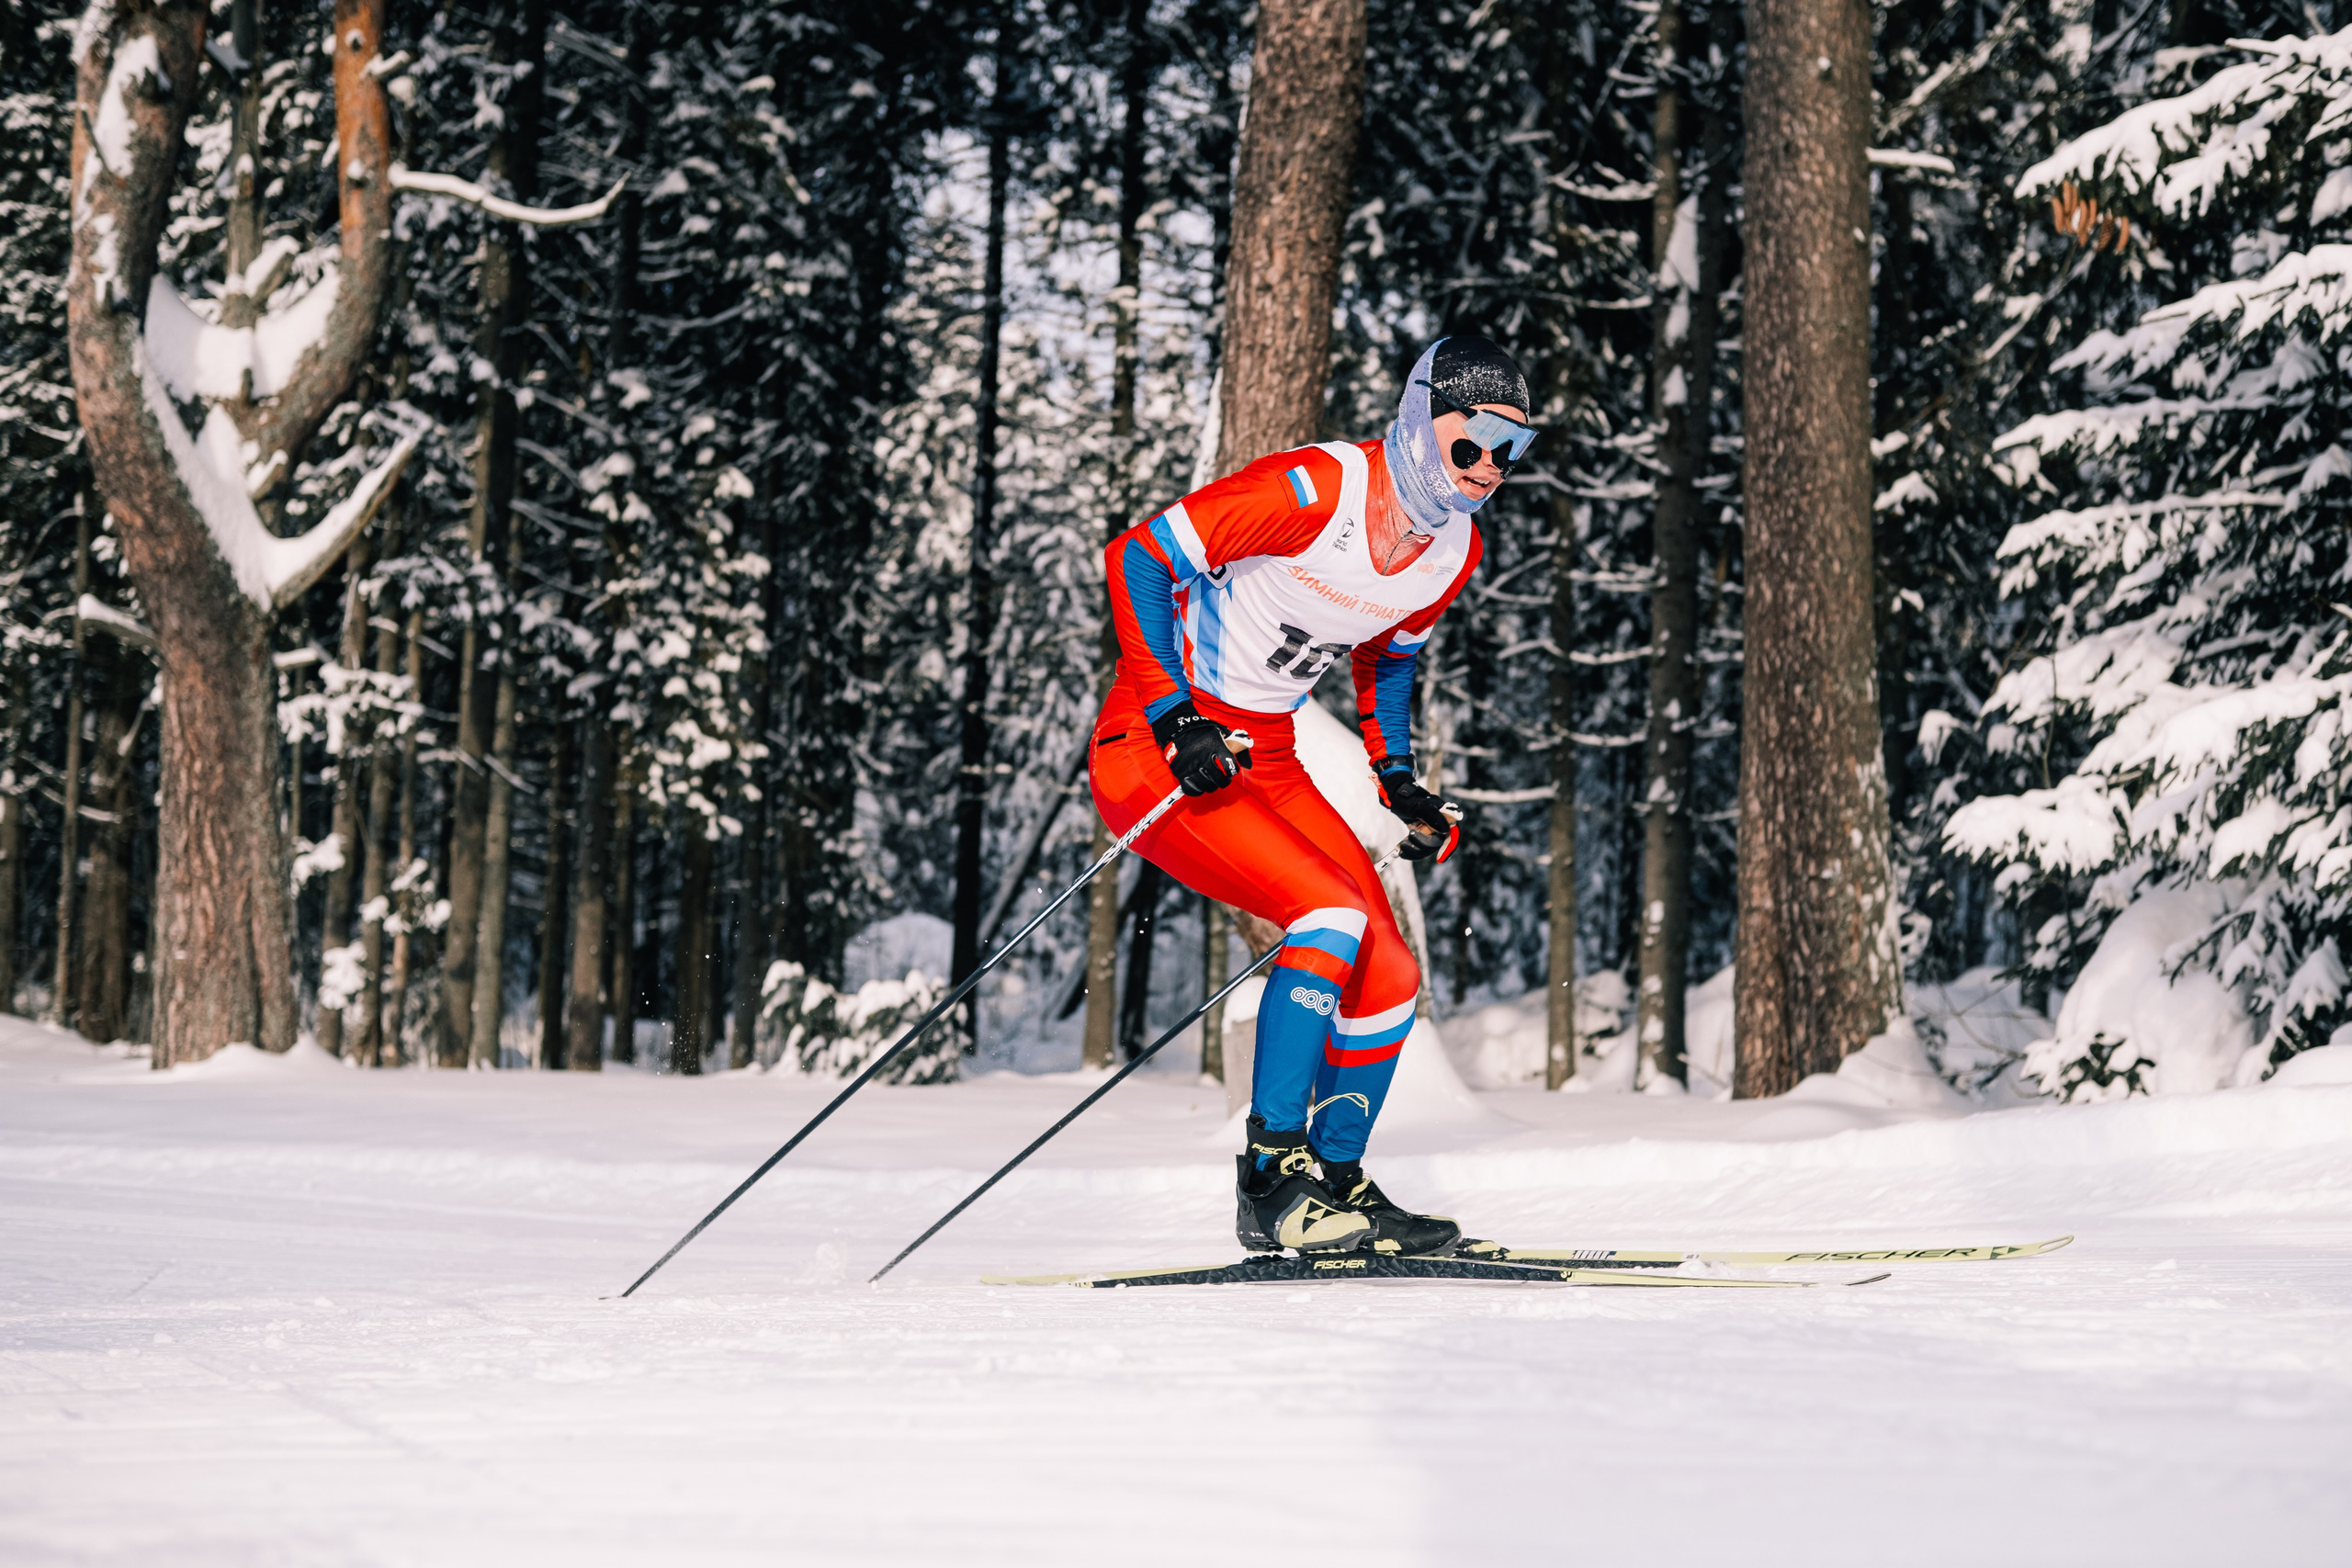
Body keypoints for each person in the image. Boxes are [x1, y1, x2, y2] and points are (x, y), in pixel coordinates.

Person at [1090, 334, 1539, 1257]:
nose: (1488, 468)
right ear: (1419, 421)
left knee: (1390, 973)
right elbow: (1137, 556)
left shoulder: (1450, 551)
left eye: (1510, 451)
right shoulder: (1312, 492)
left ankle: (1336, 1186)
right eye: (1471, 442)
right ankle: (1269, 1180)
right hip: (1155, 744)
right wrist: (1176, 716)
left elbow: (1389, 657)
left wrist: (1399, 781)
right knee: (1328, 920)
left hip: (1268, 749)